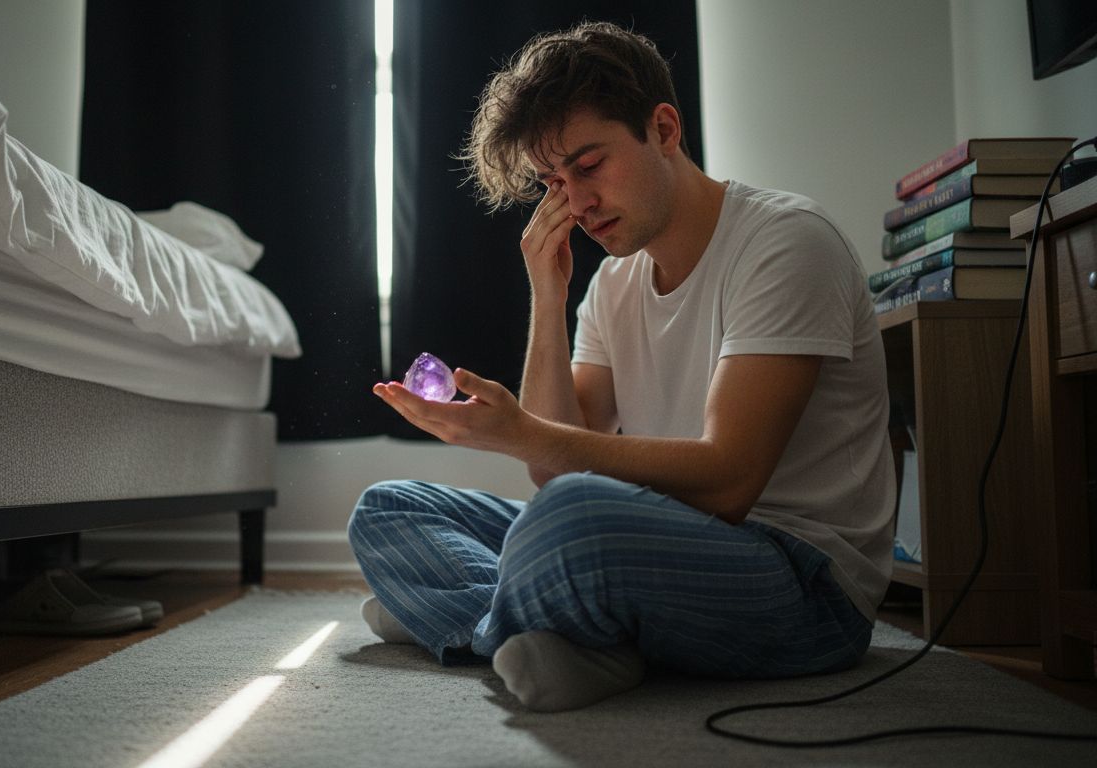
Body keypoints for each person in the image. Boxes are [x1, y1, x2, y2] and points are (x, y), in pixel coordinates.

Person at [348, 20, 895, 713]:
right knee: (389, 509)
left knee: (572, 517)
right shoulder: (612, 283)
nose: (575, 204)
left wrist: (520, 434)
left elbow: (729, 482)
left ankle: (468, 621)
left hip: (801, 584)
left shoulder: (786, 243)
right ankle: (545, 628)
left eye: (587, 165)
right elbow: (551, 469)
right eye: (553, 182)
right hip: (657, 538)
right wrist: (548, 297)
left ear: (663, 130)